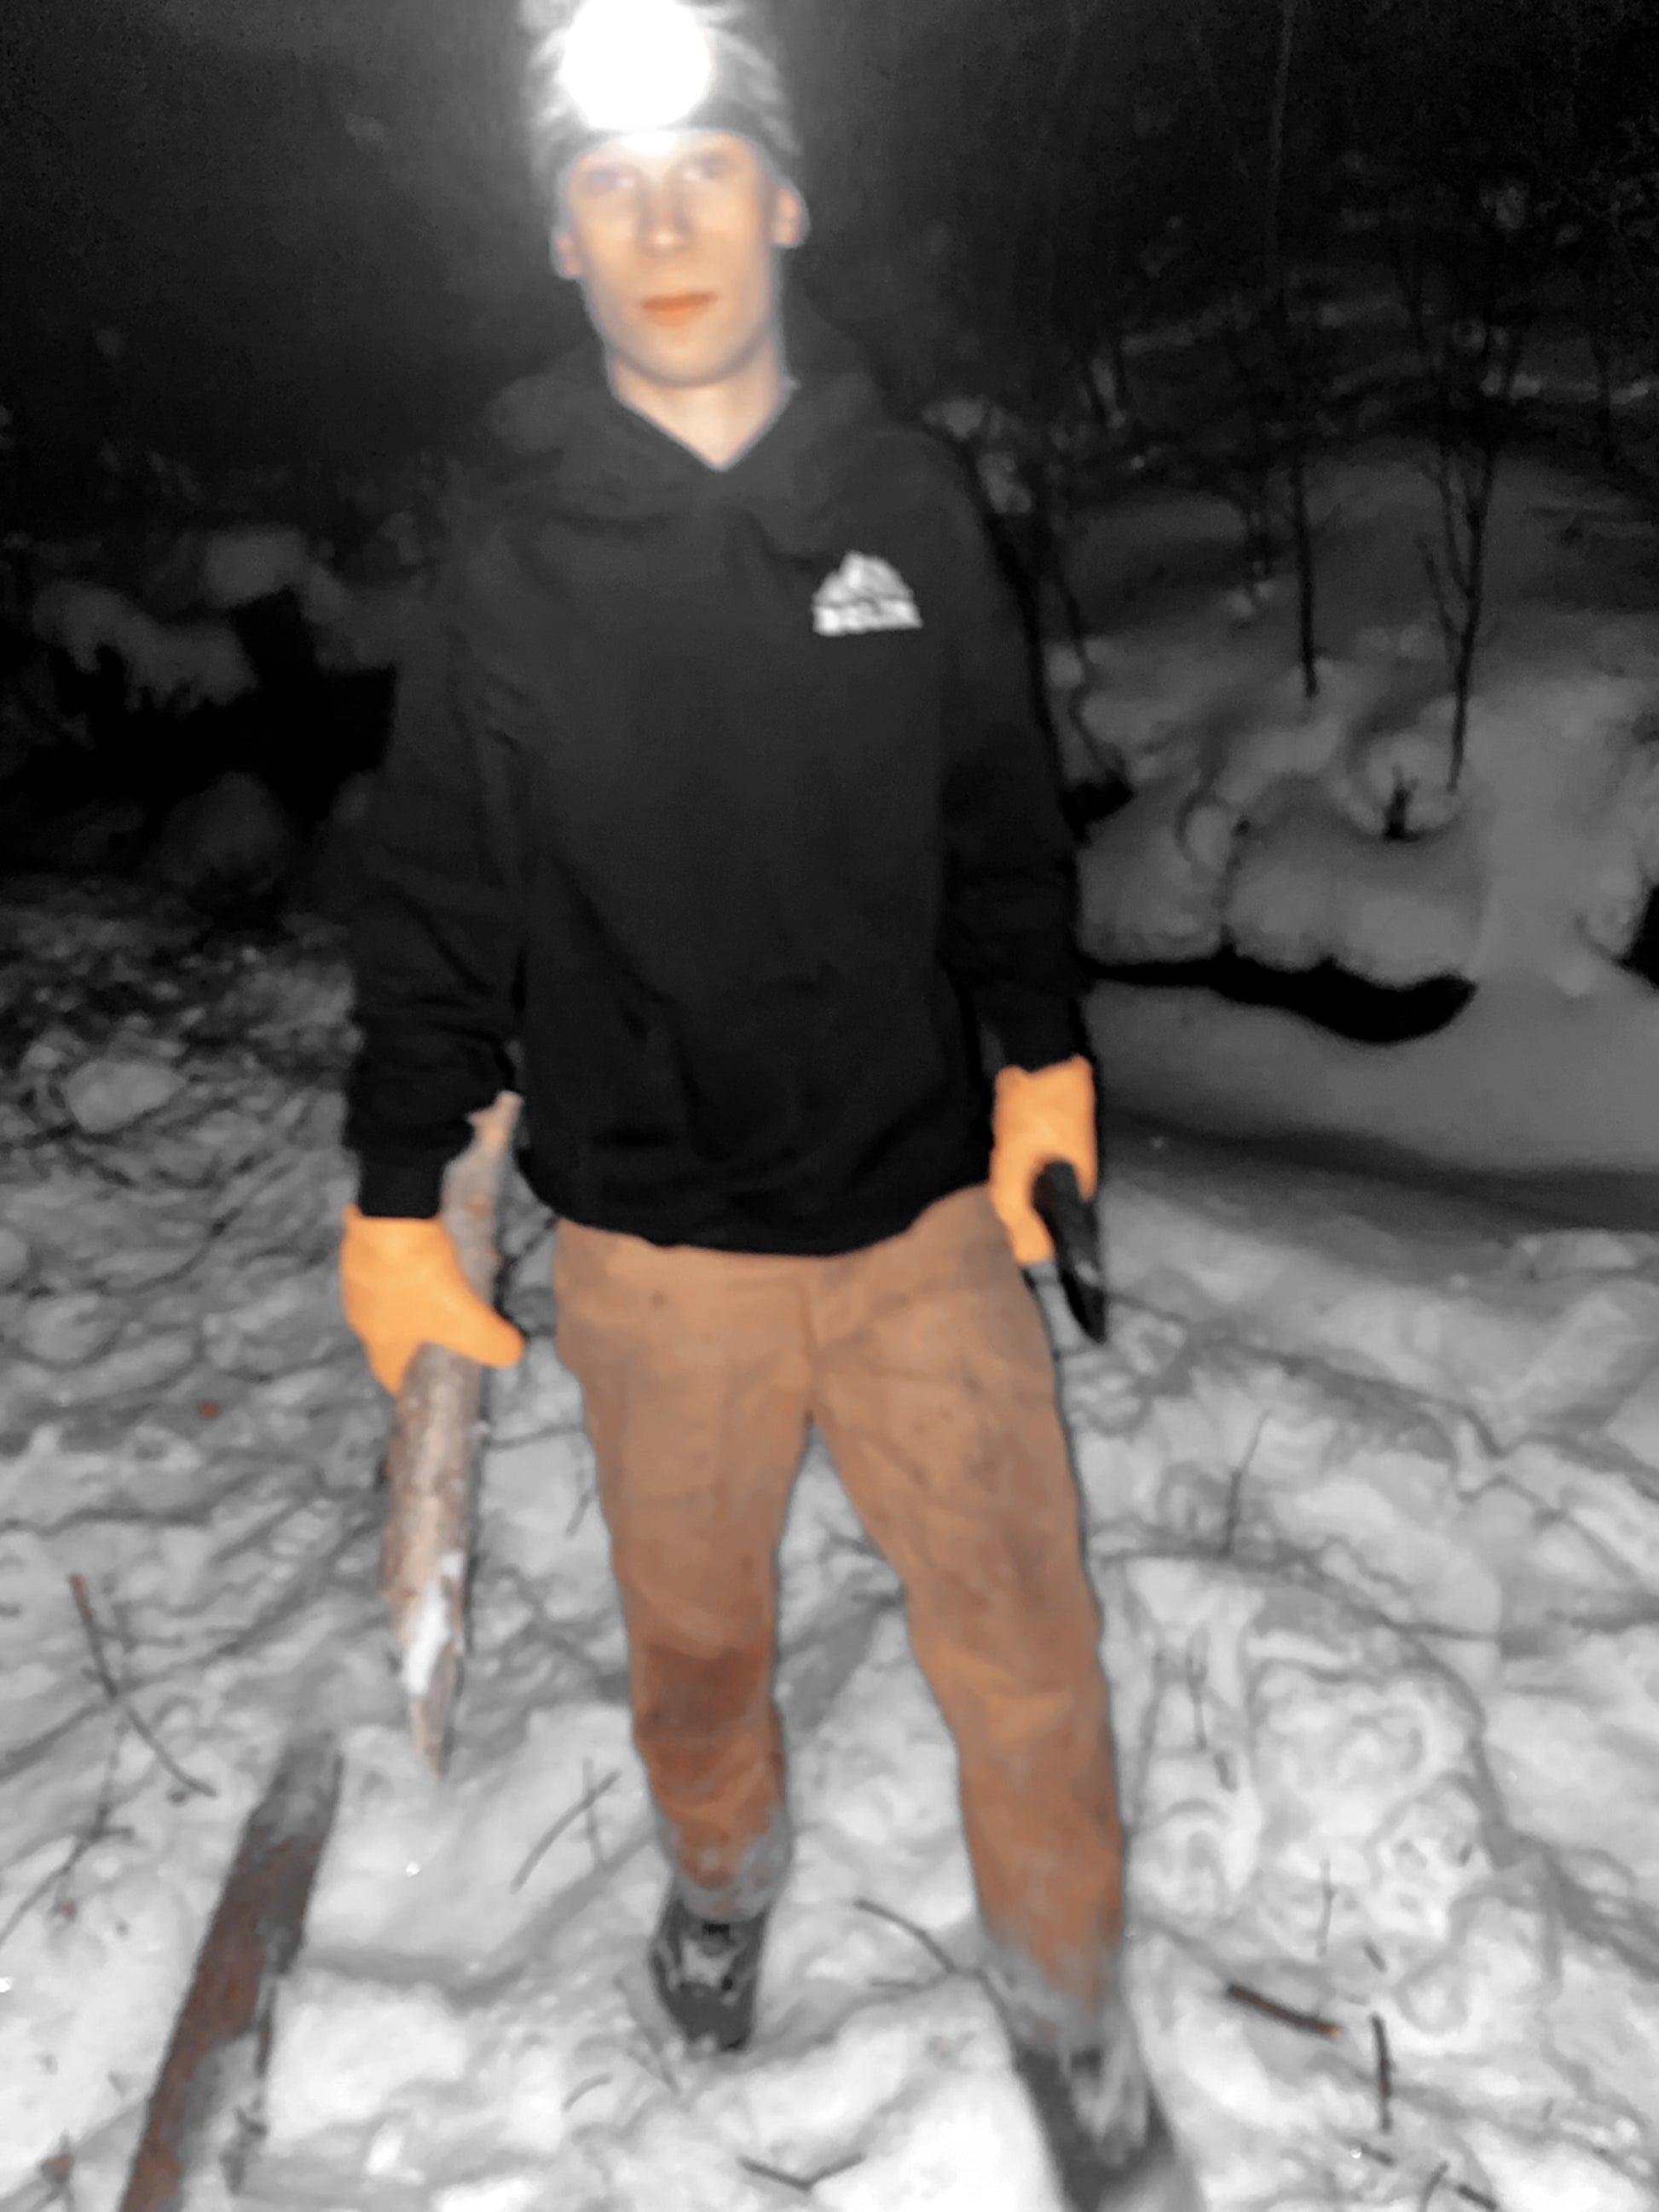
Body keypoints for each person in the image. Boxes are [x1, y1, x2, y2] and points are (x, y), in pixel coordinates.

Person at [338, 3, 1199, 2204]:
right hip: (657, 1250)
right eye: (611, 189)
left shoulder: (904, 503)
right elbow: (437, 896)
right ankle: (719, 1882)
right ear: (559, 239)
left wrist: (1041, 1060)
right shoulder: (509, 558)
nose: (664, 225)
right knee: (700, 1653)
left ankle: (1072, 2014)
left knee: (1028, 1649)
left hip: (919, 1220)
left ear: (785, 202)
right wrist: (397, 1193)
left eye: (706, 172)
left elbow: (998, 817)